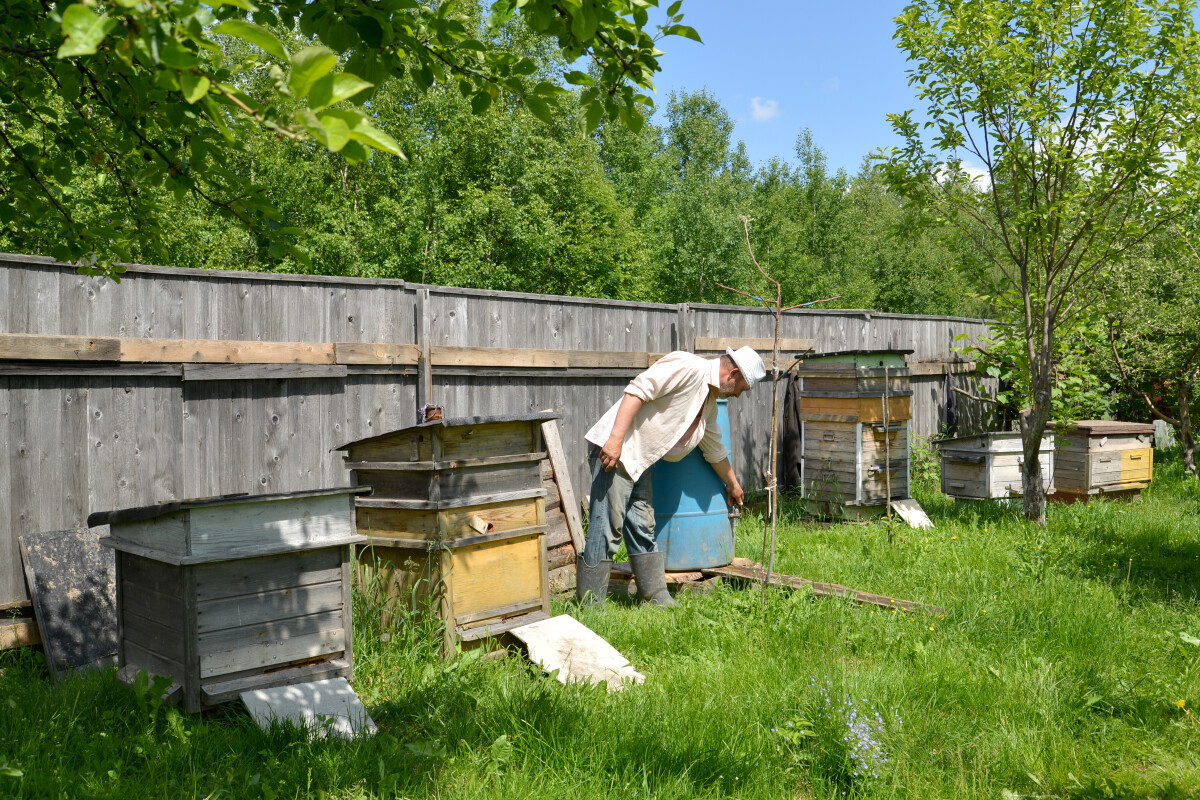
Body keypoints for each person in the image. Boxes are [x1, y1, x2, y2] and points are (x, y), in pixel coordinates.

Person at [576, 346, 767, 607]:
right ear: (732, 374)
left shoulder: (708, 400)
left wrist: (733, 485)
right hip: (617, 451)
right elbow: (638, 389)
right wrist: (615, 440)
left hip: (639, 460)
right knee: (607, 528)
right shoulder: (689, 367)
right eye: (742, 388)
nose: (738, 395)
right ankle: (590, 606)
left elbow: (713, 448)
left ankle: (657, 597)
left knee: (642, 526)